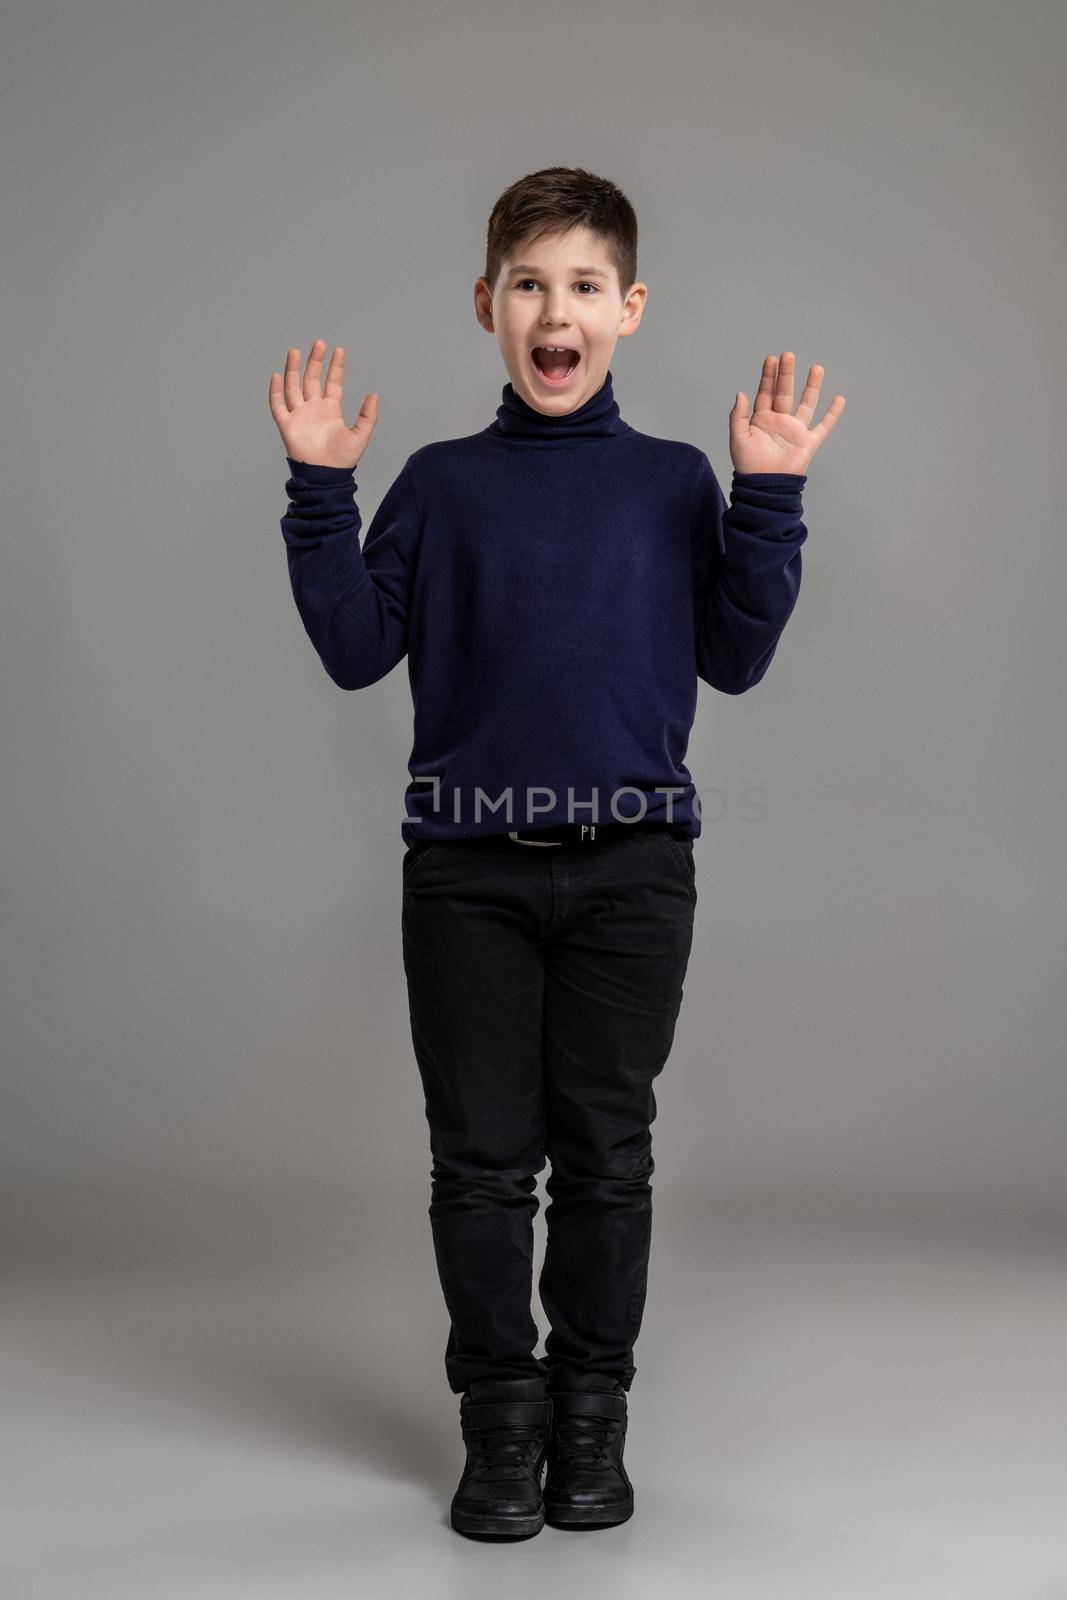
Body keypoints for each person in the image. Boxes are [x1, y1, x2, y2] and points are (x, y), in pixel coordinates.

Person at [269, 165, 845, 1541]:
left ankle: (592, 1423)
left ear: (629, 309)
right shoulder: (441, 484)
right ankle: (498, 1426)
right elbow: (356, 652)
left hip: (633, 874)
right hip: (465, 875)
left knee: (605, 1158)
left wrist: (767, 500)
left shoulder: (669, 483)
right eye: (529, 283)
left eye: (584, 285)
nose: (555, 309)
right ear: (487, 305)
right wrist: (316, 489)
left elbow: (737, 655)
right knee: (479, 1162)